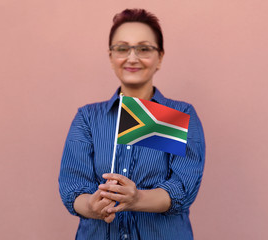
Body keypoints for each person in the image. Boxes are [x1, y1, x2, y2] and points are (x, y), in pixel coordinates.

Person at [59, 8, 205, 240]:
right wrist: (92, 206)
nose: (132, 57)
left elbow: (182, 189)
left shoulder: (179, 115)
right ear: (110, 57)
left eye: (144, 48)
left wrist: (136, 199)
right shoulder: (88, 117)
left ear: (160, 57)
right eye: (122, 48)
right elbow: (73, 186)